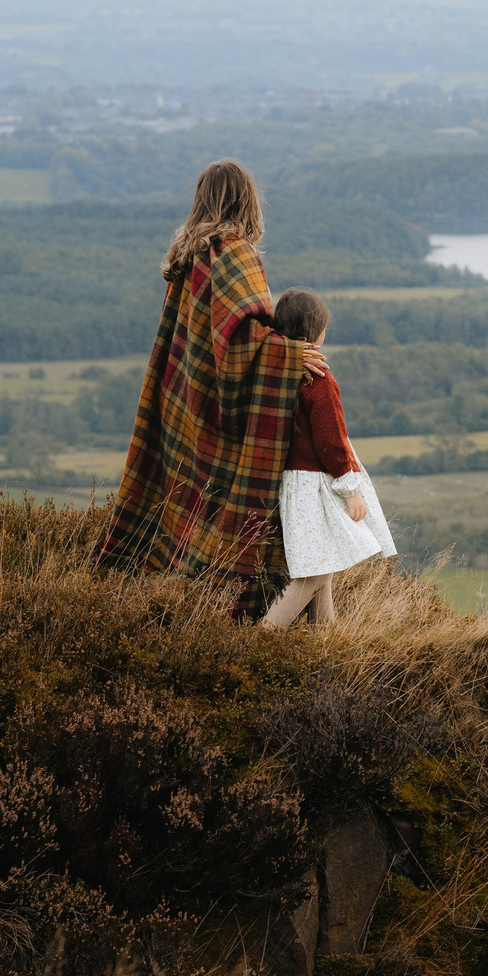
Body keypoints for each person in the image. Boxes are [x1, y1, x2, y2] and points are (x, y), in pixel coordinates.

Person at [96, 160, 328, 621]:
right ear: (248, 200)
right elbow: (240, 340)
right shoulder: (234, 255)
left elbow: (204, 340)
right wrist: (289, 355)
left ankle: (175, 601)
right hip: (218, 411)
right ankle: (244, 616)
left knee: (184, 502)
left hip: (184, 402)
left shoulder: (191, 255)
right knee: (245, 520)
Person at [261, 287, 396, 628]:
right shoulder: (319, 382)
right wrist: (350, 491)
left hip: (293, 484)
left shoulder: (278, 374)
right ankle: (261, 637)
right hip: (318, 487)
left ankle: (327, 639)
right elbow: (330, 442)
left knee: (324, 567)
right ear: (314, 336)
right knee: (312, 576)